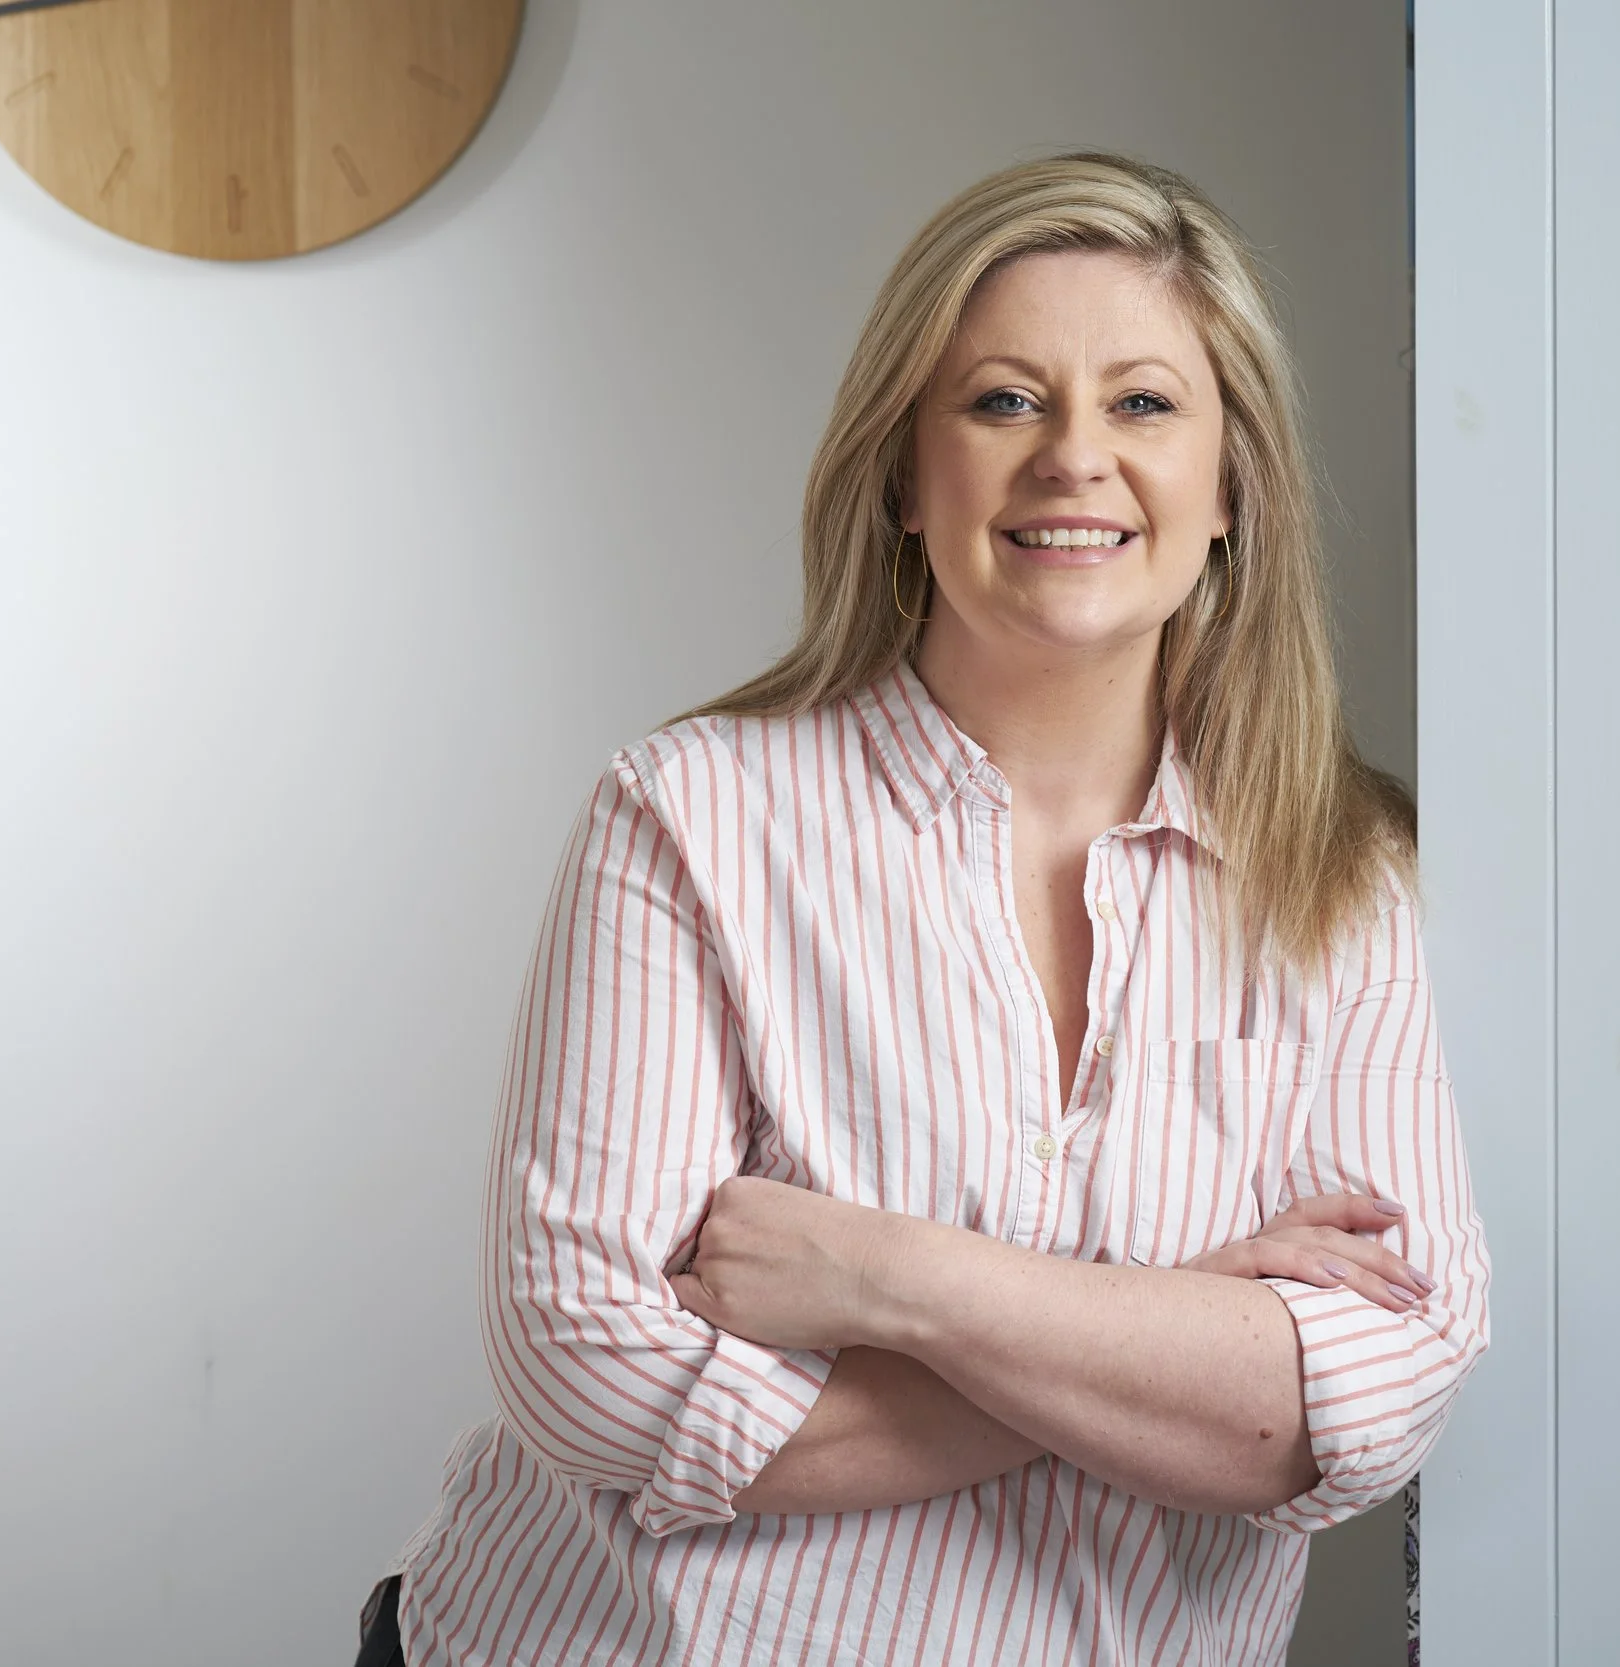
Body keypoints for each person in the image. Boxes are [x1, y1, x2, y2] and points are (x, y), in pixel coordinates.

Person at [358, 150, 1490, 1667]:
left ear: (1231, 488)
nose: (1075, 457)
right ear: (903, 475)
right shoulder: (689, 817)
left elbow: (1376, 1390)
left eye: (1144, 404)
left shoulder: (1349, 877)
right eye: (1005, 400)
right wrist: (1172, 1332)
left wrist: (891, 1279)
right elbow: (593, 1370)